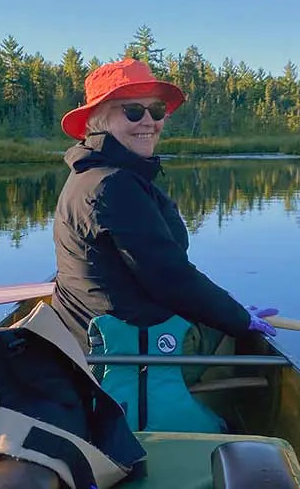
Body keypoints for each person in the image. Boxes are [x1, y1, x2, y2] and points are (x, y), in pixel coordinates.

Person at [51, 58, 280, 433]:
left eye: (156, 110)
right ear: (99, 120)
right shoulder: (113, 185)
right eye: (133, 111)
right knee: (228, 328)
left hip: (104, 335)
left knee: (221, 319)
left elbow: (160, 273)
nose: (149, 121)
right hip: (133, 351)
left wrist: (231, 312)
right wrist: (238, 318)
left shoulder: (92, 175)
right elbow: (170, 277)